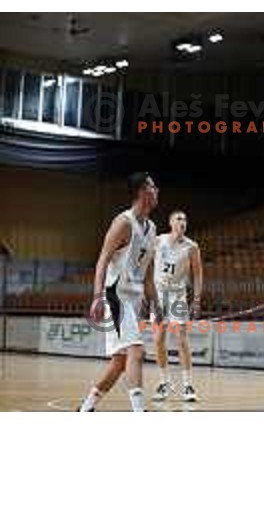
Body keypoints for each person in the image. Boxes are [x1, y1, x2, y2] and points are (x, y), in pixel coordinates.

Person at [79, 172, 158, 412]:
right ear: (142, 191)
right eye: (153, 187)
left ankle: (85, 408)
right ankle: (139, 413)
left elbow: (148, 271)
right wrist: (97, 297)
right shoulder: (123, 223)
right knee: (136, 350)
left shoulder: (152, 227)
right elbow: (102, 259)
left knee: (120, 362)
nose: (157, 191)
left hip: (134, 300)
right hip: (116, 296)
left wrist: (156, 303)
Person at [152, 210, 203, 403]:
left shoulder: (192, 247)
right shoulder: (158, 241)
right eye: (178, 218)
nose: (182, 222)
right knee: (157, 339)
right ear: (170, 222)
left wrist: (196, 299)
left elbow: (198, 275)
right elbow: (147, 264)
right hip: (158, 294)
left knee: (181, 338)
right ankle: (165, 382)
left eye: (185, 219)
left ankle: (188, 385)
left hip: (178, 295)